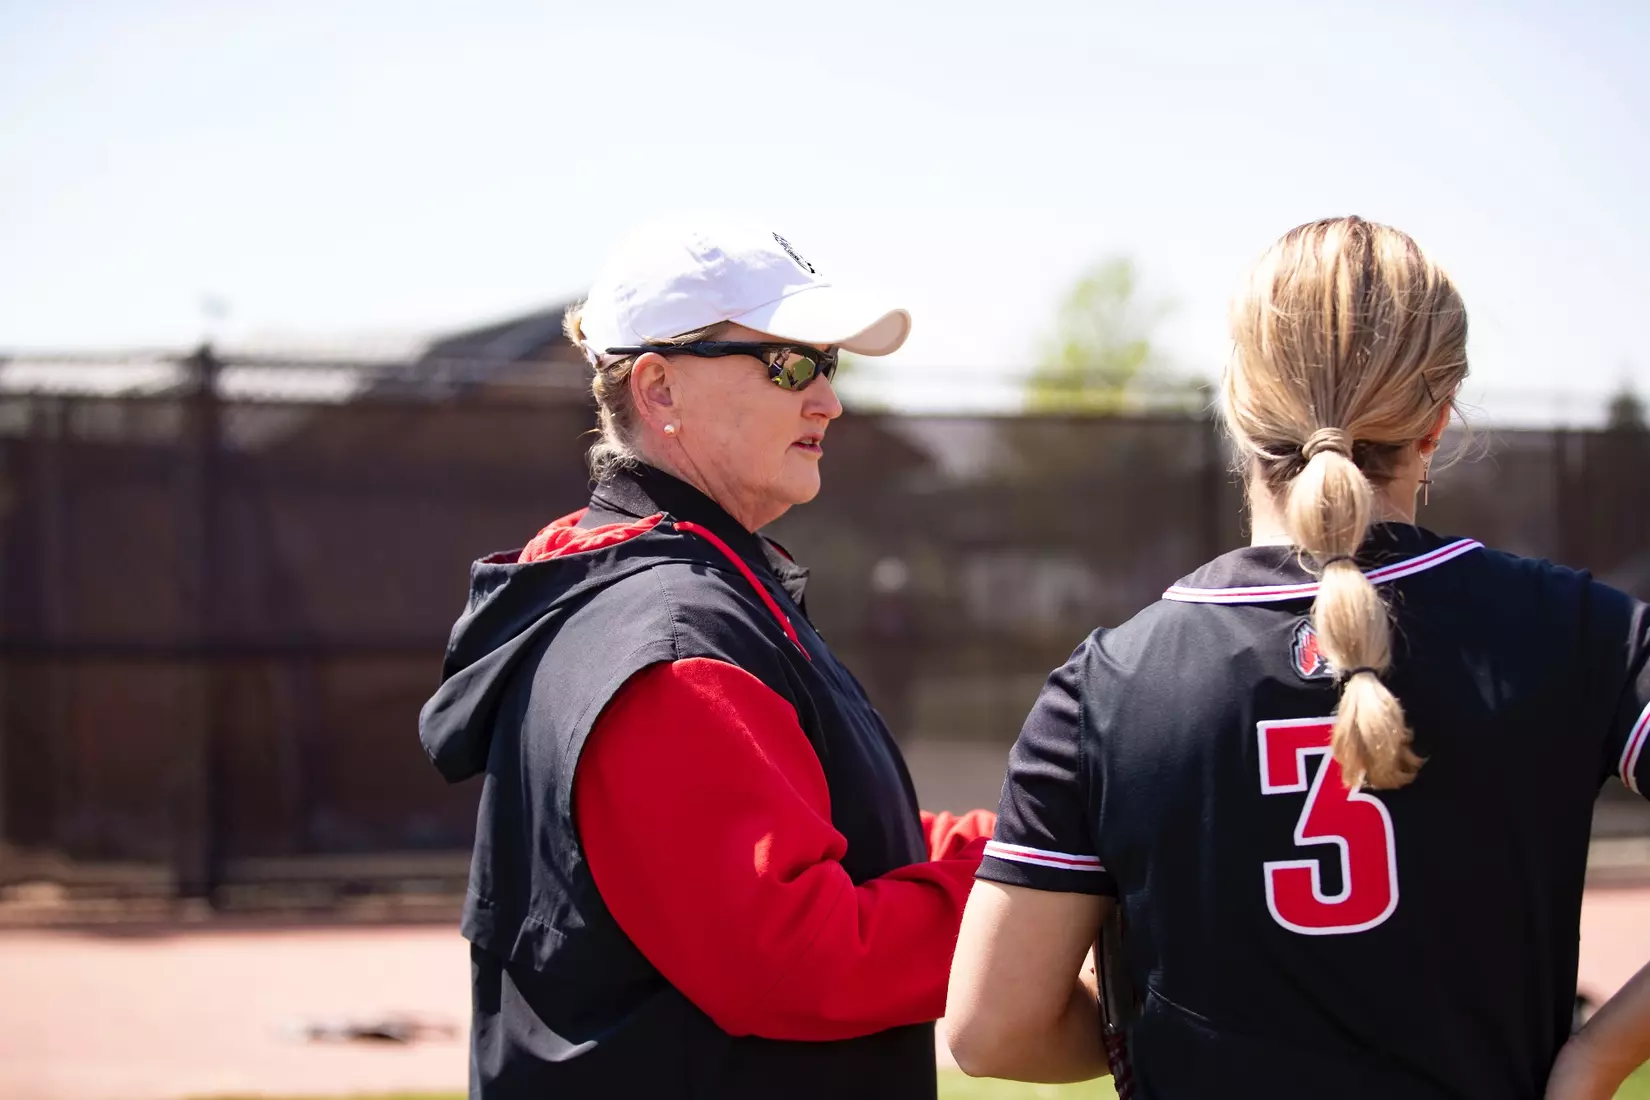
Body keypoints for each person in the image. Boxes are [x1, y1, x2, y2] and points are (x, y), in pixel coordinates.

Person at [944, 216, 1650, 1099]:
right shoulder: (1574, 628)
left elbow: (991, 1029)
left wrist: (1156, 1031)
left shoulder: (1106, 685)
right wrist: (1597, 1058)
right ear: (1438, 419)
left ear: (1239, 406)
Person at [418, 220, 994, 1100]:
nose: (828, 401)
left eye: (828, 366)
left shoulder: (669, 585)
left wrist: (1034, 847)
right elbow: (798, 959)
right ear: (658, 388)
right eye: (790, 363)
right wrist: (1016, 904)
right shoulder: (674, 639)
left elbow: (829, 833)